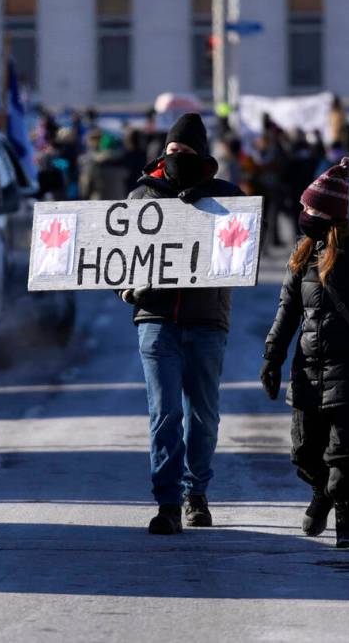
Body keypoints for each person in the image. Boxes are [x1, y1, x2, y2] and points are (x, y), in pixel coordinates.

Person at [261, 157, 349, 548]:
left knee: (346, 455)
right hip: (307, 369)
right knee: (304, 452)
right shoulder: (303, 253)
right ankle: (322, 493)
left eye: (309, 209)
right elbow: (287, 309)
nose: (303, 214)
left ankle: (347, 527)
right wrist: (272, 357)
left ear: (330, 215)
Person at [119, 113, 246, 535]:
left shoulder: (227, 198)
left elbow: (244, 251)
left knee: (203, 416)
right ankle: (168, 503)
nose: (178, 157)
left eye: (187, 152)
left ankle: (196, 494)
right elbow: (115, 257)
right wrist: (127, 290)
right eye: (173, 151)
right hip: (156, 321)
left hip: (208, 322)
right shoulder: (142, 197)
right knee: (165, 413)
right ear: (163, 153)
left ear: (202, 155)